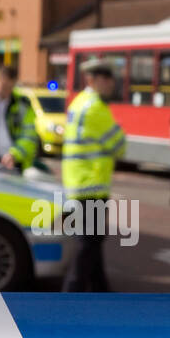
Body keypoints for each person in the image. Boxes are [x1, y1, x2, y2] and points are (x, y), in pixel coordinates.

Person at [61, 58, 126, 292]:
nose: (110, 84)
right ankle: (70, 296)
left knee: (93, 242)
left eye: (111, 79)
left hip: (77, 183)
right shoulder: (97, 107)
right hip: (92, 185)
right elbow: (119, 144)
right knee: (88, 244)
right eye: (106, 79)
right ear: (93, 80)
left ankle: (101, 292)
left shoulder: (78, 102)